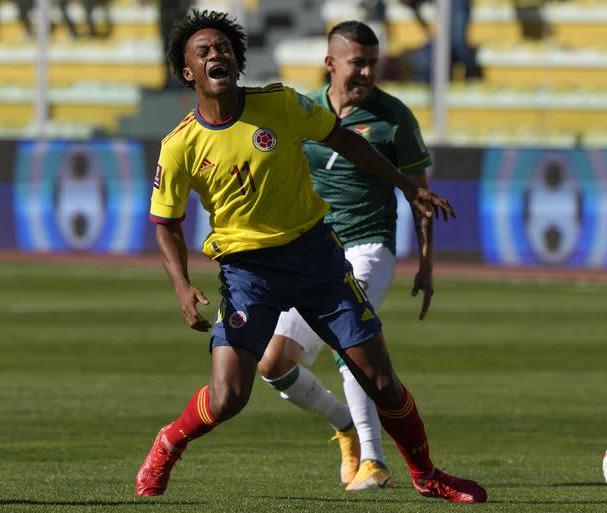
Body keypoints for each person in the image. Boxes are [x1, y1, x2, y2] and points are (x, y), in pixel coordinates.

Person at [135, 9, 487, 504]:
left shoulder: (279, 104)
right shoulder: (179, 146)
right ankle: (168, 442)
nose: (217, 53)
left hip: (316, 259)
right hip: (247, 274)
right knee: (229, 397)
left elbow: (342, 138)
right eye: (204, 51)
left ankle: (427, 475)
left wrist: (408, 187)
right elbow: (165, 225)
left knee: (382, 381)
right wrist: (181, 285)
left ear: (236, 61)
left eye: (223, 48)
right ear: (188, 72)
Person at [256, 20, 436, 492]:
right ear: (331, 63)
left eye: (373, 63)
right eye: (358, 62)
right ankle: (345, 425)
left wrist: (427, 263)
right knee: (273, 364)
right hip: (312, 251)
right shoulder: (304, 112)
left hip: (368, 246)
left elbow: (420, 194)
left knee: (348, 342)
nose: (367, 72)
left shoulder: (393, 117)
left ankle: (375, 462)